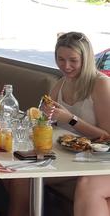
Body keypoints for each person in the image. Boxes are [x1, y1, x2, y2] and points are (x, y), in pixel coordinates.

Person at [46, 32, 110, 216]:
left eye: (73, 60)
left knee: (86, 185)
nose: (66, 66)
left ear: (86, 58)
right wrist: (45, 115)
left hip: (97, 159)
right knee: (20, 178)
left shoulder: (101, 85)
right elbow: (44, 122)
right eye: (61, 59)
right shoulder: (61, 84)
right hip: (68, 157)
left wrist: (71, 119)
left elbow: (107, 136)